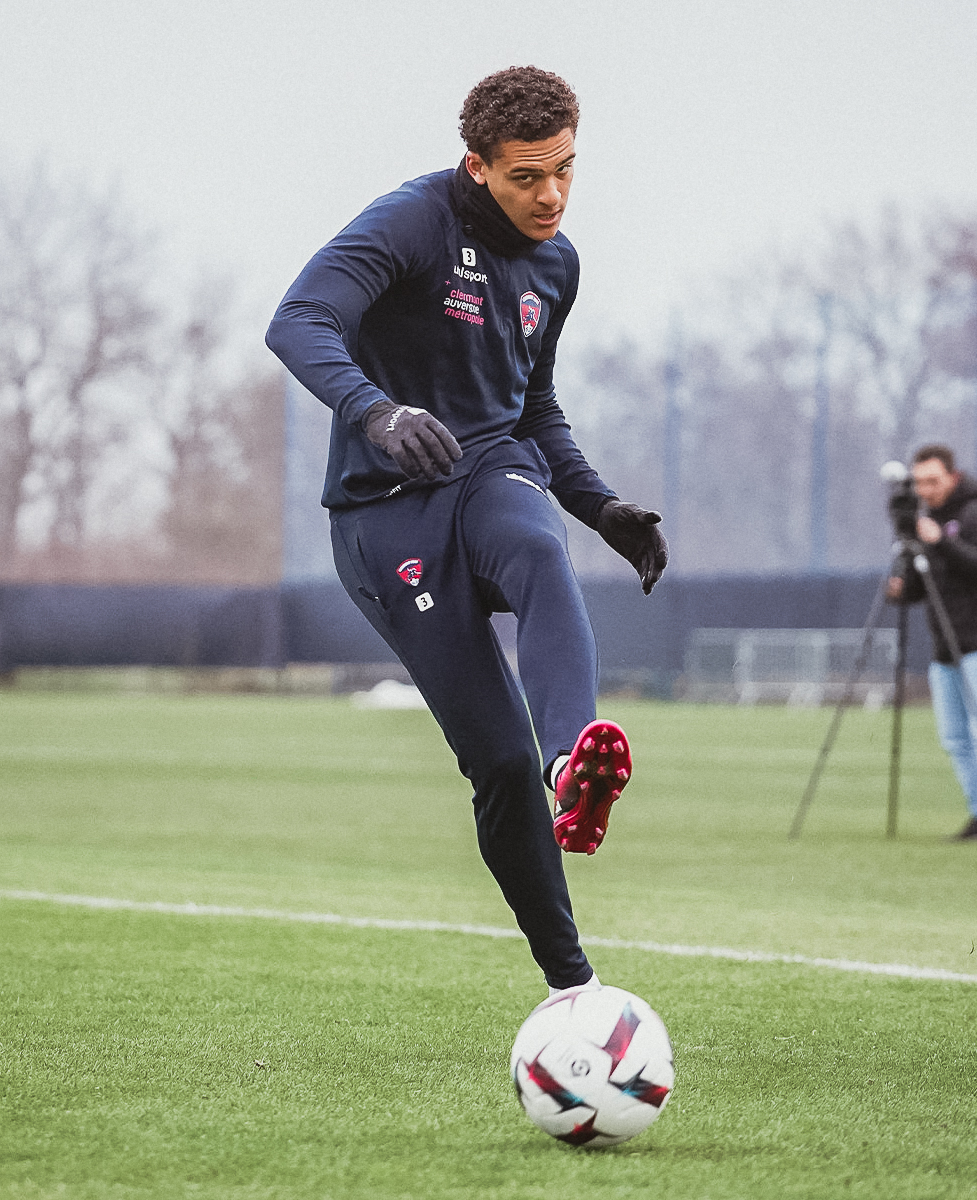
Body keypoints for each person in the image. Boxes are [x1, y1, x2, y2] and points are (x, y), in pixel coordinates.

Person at [265, 67, 667, 995]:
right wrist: (375, 412)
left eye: (566, 168)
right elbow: (299, 320)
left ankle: (577, 760)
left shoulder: (557, 264)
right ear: (476, 167)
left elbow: (532, 407)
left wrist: (601, 507)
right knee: (496, 761)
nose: (552, 195)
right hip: (383, 512)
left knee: (536, 548)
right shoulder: (410, 222)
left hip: (490, 470)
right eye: (527, 176)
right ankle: (574, 986)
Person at [887, 444, 977, 841]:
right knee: (955, 738)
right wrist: (902, 587)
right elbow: (924, 585)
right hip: (944, 646)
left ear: (952, 476)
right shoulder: (926, 519)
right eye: (919, 483)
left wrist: (942, 542)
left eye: (933, 481)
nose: (926, 490)